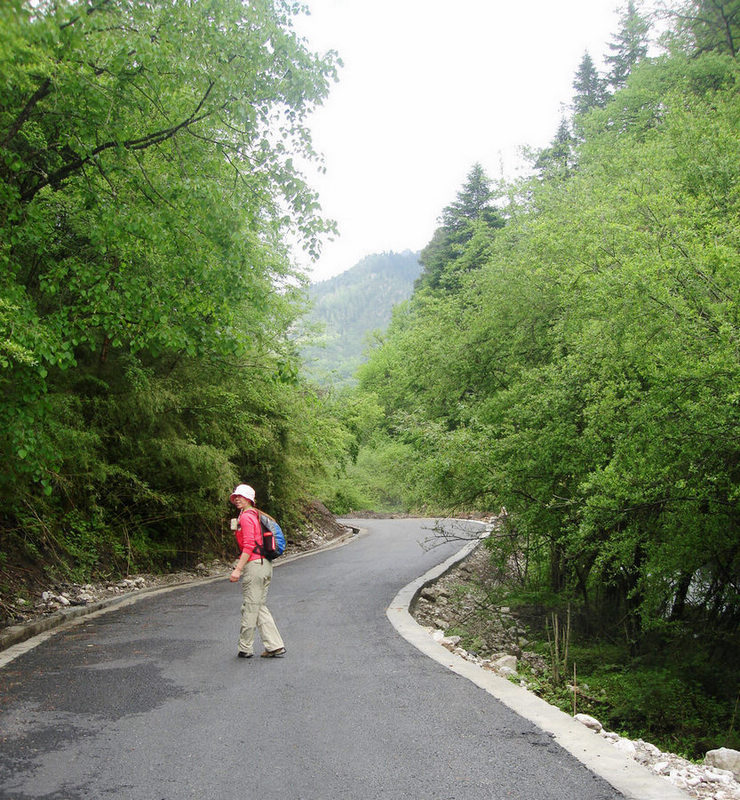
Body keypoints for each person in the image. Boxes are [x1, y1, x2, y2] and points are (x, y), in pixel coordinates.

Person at [228, 483, 286, 659]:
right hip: (264, 565)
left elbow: (248, 546)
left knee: (250, 607)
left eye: (241, 496)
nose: (237, 499)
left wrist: (238, 569)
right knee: (258, 606)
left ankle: (245, 648)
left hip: (255, 566)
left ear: (249, 499)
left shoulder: (247, 517)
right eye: (236, 496)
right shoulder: (254, 515)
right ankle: (275, 646)